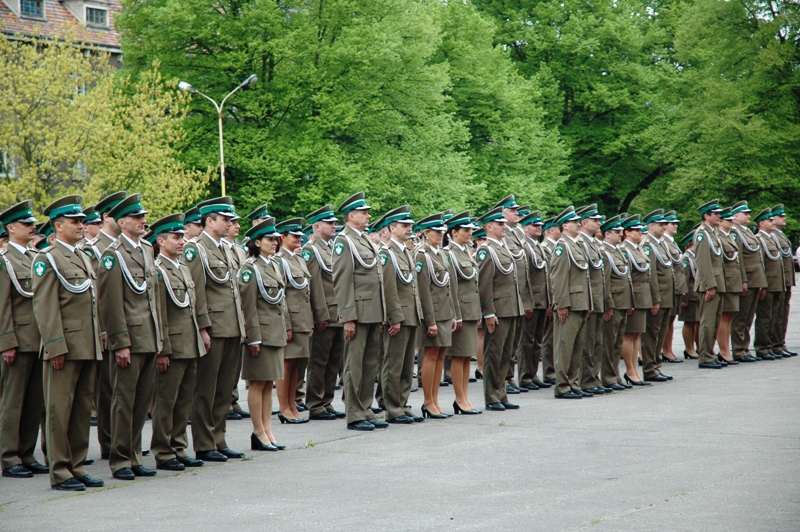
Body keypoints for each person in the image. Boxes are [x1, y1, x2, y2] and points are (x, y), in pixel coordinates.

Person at [33, 195, 103, 491]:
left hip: (87, 343)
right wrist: (55, 346)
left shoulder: (82, 256)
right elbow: (45, 307)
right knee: (59, 411)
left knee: (81, 410)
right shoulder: (47, 258)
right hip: (65, 346)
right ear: (58, 226)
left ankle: (76, 465)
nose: (81, 226)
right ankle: (60, 470)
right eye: (75, 221)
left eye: (82, 221)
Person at [98, 193, 163, 481]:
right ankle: (120, 458)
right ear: (122, 222)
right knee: (123, 401)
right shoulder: (113, 255)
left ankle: (135, 455)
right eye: (136, 217)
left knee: (140, 401)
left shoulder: (146, 249)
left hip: (149, 335)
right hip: (130, 338)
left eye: (143, 216)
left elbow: (152, 297)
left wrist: (159, 337)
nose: (142, 220)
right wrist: (120, 342)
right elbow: (110, 303)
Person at [183, 197, 246, 462]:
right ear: (210, 221)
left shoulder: (227, 249)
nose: (230, 224)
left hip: (232, 326)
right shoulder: (196, 249)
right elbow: (196, 291)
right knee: (206, 389)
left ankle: (219, 438)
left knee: (224, 389)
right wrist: (202, 328)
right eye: (225, 219)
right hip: (214, 328)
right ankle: (204, 442)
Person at [150, 214, 209, 470]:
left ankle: (178, 446)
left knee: (184, 400)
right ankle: (163, 451)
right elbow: (159, 313)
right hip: (172, 345)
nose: (182, 241)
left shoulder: (182, 267)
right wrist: (162, 349)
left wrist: (201, 333)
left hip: (190, 342)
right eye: (176, 237)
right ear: (161, 241)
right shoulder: (158, 270)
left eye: (182, 237)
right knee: (166, 401)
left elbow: (192, 307)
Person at [332, 192, 388, 431]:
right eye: (364, 213)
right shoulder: (344, 241)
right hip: (358, 313)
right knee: (354, 364)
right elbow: (342, 281)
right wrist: (348, 317)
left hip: (373, 310)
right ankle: (354, 413)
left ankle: (365, 409)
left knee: (369, 363)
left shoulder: (363, 239)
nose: (368, 216)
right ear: (351, 216)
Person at [0, 201, 48, 478]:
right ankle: (9, 456)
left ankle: (27, 453)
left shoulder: (34, 256)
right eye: (26, 224)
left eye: (32, 223)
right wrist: (7, 341)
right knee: (12, 401)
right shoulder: (4, 260)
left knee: (33, 402)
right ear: (11, 228)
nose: (33, 227)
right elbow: (2, 305)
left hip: (38, 339)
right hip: (18, 340)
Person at [83, 191, 127, 460]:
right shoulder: (93, 248)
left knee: (125, 390)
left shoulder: (126, 246)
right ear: (107, 217)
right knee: (108, 390)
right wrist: (101, 329)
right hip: (104, 329)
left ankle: (125, 442)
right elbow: (95, 293)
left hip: (126, 325)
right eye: (120, 214)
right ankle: (110, 443)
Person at [238, 218, 288, 450]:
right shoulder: (250, 269)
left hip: (274, 331)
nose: (275, 243)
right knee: (258, 383)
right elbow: (248, 305)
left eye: (276, 239)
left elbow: (279, 302)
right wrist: (253, 336)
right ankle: (258, 431)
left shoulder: (273, 265)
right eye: (269, 239)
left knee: (269, 384)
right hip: (261, 334)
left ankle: (267, 430)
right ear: (257, 242)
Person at [379, 206, 426, 423]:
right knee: (394, 364)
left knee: (407, 365)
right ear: (392, 228)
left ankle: (403, 403)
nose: (409, 229)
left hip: (411, 315)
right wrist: (394, 317)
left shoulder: (406, 252)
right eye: (404, 225)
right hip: (399, 317)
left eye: (410, 225)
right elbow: (388, 289)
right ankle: (392, 408)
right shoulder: (387, 253)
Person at [476, 207, 524, 410]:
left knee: (506, 354)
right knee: (494, 354)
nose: (504, 227)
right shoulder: (486, 250)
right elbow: (484, 284)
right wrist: (488, 312)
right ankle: (492, 397)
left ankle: (501, 393)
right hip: (498, 310)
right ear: (489, 227)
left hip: (511, 307)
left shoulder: (502, 247)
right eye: (499, 224)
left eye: (504, 223)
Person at [302, 205, 346, 421]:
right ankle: (315, 403)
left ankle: (326, 401)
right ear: (317, 227)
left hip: (337, 313)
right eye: (329, 223)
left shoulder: (330, 248)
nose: (334, 226)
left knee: (333, 361)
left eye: (334, 222)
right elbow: (314, 284)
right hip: (326, 315)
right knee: (319, 362)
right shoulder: (311, 249)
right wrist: (320, 314)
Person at [415, 213, 459, 418]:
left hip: (444, 312)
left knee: (440, 355)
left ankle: (434, 400)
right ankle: (428, 402)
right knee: (431, 356)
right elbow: (423, 291)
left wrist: (452, 314)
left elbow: (447, 287)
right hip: (432, 314)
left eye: (442, 231)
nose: (441, 234)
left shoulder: (440, 253)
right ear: (426, 233)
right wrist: (430, 320)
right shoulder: (422, 255)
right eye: (436, 231)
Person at [549, 206, 594, 399]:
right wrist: (561, 304)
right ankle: (562, 386)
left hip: (581, 302)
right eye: (574, 222)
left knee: (576, 347)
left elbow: (584, 277)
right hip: (570, 304)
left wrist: (588, 302)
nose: (578, 224)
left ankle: (573, 383)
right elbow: (558, 278)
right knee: (564, 347)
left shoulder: (576, 245)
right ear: (564, 226)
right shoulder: (562, 246)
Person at [275, 218, 313, 424]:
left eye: (300, 236)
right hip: (291, 319)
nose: (299, 239)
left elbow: (305, 293)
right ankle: (284, 408)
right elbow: (280, 296)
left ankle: (292, 405)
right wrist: (287, 325)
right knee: (287, 363)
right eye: (294, 236)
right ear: (282, 237)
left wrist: (310, 321)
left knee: (297, 363)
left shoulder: (298, 259)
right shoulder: (279, 260)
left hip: (302, 318)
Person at [443, 212, 482, 414]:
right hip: (461, 311)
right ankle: (459, 399)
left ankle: (464, 397)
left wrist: (478, 310)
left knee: (467, 356)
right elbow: (451, 287)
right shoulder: (449, 254)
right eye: (466, 230)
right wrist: (456, 314)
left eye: (470, 230)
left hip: (471, 310)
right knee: (459, 356)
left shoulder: (466, 251)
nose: (470, 233)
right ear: (454, 232)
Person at [491, 196, 530, 395]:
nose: (516, 213)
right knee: (502, 345)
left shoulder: (514, 234)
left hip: (518, 297)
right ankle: (502, 381)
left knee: (512, 343)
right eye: (512, 210)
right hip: (505, 299)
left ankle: (507, 377)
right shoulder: (499, 238)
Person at [575, 204, 610, 394]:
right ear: (584, 223)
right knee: (587, 343)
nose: (598, 223)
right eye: (595, 220)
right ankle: (585, 380)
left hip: (598, 299)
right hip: (589, 299)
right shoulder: (580, 243)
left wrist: (606, 301)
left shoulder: (595, 243)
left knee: (597, 342)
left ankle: (594, 377)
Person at [598, 215, 633, 391]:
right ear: (607, 234)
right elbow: (605, 282)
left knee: (617, 343)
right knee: (609, 343)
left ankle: (615, 375)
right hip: (614, 303)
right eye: (617, 232)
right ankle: (608, 377)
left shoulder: (617, 250)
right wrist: (608, 304)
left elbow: (626, 278)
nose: (621, 234)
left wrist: (630, 301)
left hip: (623, 302)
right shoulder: (604, 252)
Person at [517, 211, 551, 391]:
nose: (539, 227)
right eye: (534, 225)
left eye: (540, 225)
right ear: (525, 228)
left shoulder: (538, 246)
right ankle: (524, 376)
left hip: (542, 299)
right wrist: (527, 303)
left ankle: (533, 373)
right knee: (526, 341)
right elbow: (524, 279)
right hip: (532, 301)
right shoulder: (524, 247)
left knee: (537, 340)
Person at [730, 202, 765, 362]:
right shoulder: (735, 232)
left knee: (749, 316)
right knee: (741, 317)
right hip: (747, 279)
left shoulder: (747, 232)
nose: (749, 216)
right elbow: (739, 259)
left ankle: (744, 347)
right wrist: (743, 280)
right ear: (736, 216)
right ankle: (738, 349)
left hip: (755, 279)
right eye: (745, 214)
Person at [620, 215, 654, 386]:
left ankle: (634, 369)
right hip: (634, 297)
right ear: (627, 232)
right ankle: (630, 370)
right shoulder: (625, 249)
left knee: (636, 334)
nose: (640, 233)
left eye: (640, 230)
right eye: (636, 230)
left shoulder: (637, 248)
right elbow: (626, 278)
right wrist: (629, 301)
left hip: (642, 296)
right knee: (629, 334)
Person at [694, 200, 727, 369]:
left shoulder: (712, 232)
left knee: (714, 322)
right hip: (710, 285)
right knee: (707, 322)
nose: (719, 216)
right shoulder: (702, 234)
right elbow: (703, 262)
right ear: (706, 216)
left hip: (718, 283)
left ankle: (710, 353)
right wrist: (710, 286)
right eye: (715, 214)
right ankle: (705, 357)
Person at [641, 210, 673, 382]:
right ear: (651, 226)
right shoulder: (648, 245)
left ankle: (656, 365)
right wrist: (655, 299)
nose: (664, 227)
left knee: (660, 333)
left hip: (666, 296)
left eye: (664, 224)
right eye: (660, 225)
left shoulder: (661, 243)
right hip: (658, 296)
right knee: (652, 334)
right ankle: (649, 368)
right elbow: (651, 275)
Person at [223, 214, 250, 421]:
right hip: (226, 313)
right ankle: (226, 402)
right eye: (232, 223)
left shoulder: (239, 250)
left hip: (241, 310)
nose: (237, 226)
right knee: (224, 365)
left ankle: (233, 400)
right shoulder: (215, 249)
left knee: (235, 363)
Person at [754, 208, 785, 360]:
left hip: (777, 283)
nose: (773, 222)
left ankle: (771, 345)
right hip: (768, 283)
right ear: (761, 223)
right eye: (770, 220)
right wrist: (762, 285)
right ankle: (762, 347)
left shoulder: (772, 238)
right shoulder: (759, 239)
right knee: (765, 317)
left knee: (774, 317)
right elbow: (760, 264)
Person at [715, 208, 745, 365]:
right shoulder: (718, 237)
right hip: (726, 281)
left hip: (733, 281)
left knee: (729, 316)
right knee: (724, 317)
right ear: (720, 222)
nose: (732, 222)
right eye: (728, 220)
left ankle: (726, 350)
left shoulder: (729, 236)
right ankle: (723, 351)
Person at [660, 211, 688, 363]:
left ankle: (668, 349)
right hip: (670, 287)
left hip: (676, 286)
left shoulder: (670, 241)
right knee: (667, 321)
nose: (676, 226)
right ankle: (665, 350)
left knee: (670, 320)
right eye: (672, 223)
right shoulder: (663, 242)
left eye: (676, 223)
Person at [771, 205, 797, 357]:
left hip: (785, 279)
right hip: (778, 279)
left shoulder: (780, 235)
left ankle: (780, 342)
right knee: (777, 313)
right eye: (780, 216)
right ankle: (775, 343)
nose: (784, 218)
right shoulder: (772, 236)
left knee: (783, 312)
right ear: (773, 220)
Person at [539, 217, 561, 386]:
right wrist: (549, 300)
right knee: (549, 337)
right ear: (551, 231)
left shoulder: (555, 247)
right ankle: (549, 371)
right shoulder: (545, 247)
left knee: (553, 336)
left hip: (554, 297)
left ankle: (553, 369)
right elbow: (547, 277)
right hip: (548, 297)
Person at [678, 228, 701, 360]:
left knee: (696, 322)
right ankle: (689, 348)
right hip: (690, 295)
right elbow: (685, 279)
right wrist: (685, 297)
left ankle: (695, 347)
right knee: (689, 322)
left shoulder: (694, 256)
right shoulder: (686, 258)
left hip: (696, 295)